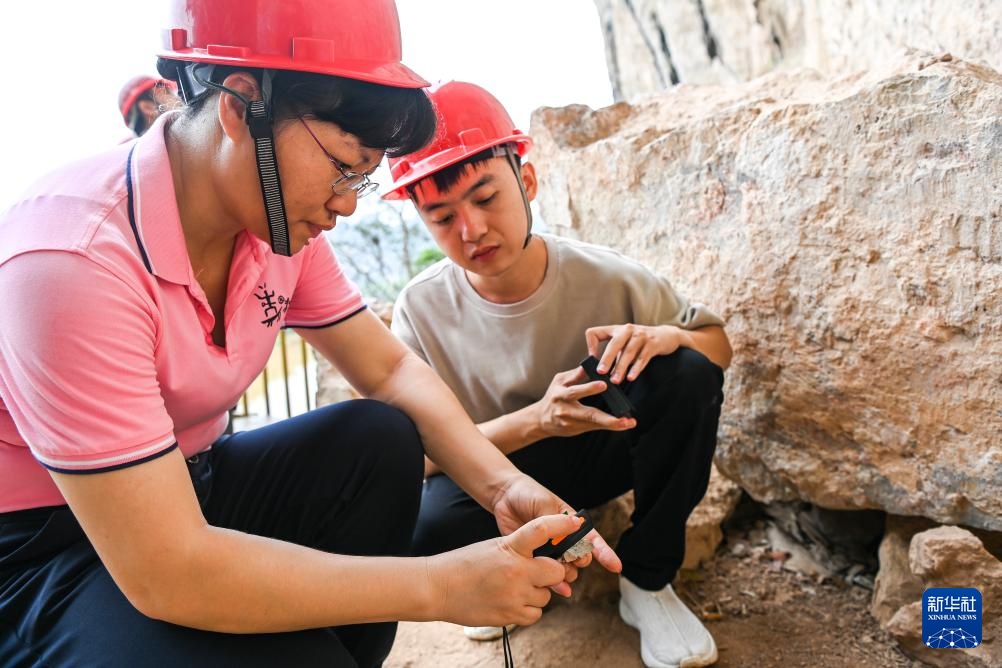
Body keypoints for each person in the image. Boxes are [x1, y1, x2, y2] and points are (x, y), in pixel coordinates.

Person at [0, 5, 620, 666]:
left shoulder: (275, 226)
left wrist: (504, 488)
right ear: (241, 107)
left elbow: (389, 372)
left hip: (189, 485)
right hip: (44, 548)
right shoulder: (72, 260)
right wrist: (442, 586)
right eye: (342, 167)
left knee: (375, 439)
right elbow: (167, 569)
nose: (348, 202)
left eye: (364, 177)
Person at [385, 81, 732, 668]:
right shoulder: (419, 312)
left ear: (527, 183)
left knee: (687, 375)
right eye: (442, 217)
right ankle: (512, 578)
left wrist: (667, 336)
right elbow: (413, 457)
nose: (471, 231)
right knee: (424, 531)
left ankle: (645, 583)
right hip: (489, 475)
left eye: (486, 198)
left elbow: (714, 348)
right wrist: (538, 420)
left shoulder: (606, 277)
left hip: (598, 457)